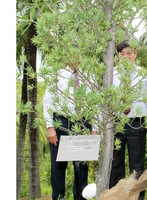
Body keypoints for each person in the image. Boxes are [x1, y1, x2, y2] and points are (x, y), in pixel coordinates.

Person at [43, 56, 98, 200]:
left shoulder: (90, 75)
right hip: (61, 123)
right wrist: (50, 127)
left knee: (81, 169)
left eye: (78, 54)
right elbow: (47, 102)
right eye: (72, 54)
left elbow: (97, 104)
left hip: (83, 123)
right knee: (58, 167)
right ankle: (59, 198)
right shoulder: (57, 74)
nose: (76, 58)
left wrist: (95, 129)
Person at [109, 40, 147, 200]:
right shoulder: (111, 75)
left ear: (135, 54)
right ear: (117, 57)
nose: (125, 57)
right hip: (116, 124)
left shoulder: (144, 75)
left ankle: (137, 197)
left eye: (129, 53)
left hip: (137, 124)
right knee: (115, 164)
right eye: (121, 54)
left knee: (137, 166)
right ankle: (117, 197)